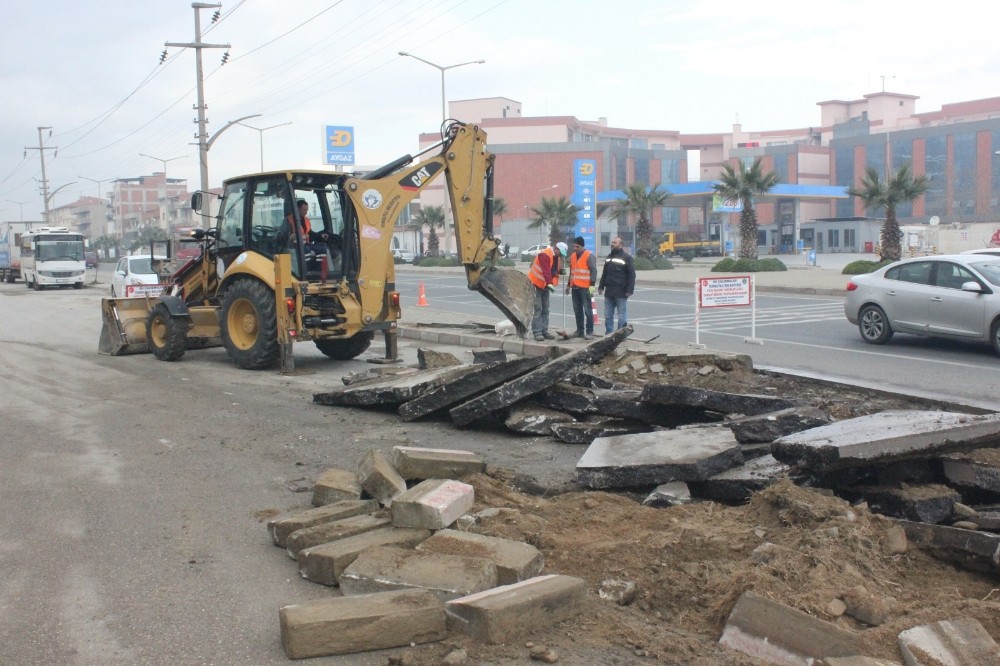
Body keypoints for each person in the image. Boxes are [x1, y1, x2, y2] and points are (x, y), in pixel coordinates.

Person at [527, 240, 568, 341]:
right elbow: (546, 271)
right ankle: (537, 332)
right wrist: (549, 283)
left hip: (545, 285)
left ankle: (544, 331)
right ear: (556, 249)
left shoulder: (556, 256)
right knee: (538, 310)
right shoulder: (545, 255)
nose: (561, 256)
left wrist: (559, 271)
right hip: (536, 284)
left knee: (546, 309)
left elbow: (552, 269)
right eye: (561, 253)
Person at [597, 236, 636, 334]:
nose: (612, 244)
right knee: (608, 315)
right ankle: (609, 334)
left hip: (621, 291)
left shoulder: (627, 258)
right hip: (609, 291)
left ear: (621, 245)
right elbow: (604, 273)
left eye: (615, 242)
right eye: (612, 242)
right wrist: (601, 286)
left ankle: (620, 334)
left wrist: (629, 290)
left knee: (621, 315)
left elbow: (632, 275)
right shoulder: (609, 257)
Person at [565, 235, 597, 340]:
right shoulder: (573, 256)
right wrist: (569, 285)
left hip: (585, 288)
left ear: (582, 246)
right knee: (577, 310)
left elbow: (593, 271)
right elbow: (572, 272)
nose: (575, 248)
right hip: (575, 287)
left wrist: (592, 285)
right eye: (574, 246)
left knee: (588, 310)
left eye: (577, 246)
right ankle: (579, 331)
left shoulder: (589, 256)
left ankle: (589, 331)